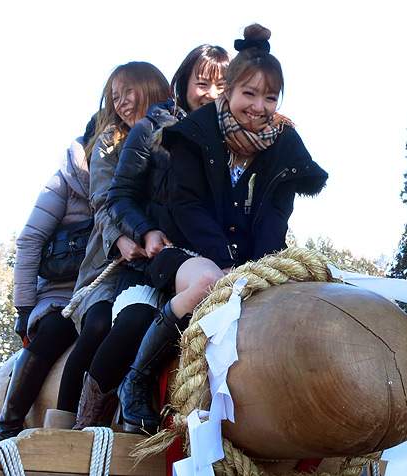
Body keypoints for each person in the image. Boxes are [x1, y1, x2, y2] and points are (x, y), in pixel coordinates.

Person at [116, 24, 328, 435]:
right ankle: (136, 380)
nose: (259, 105)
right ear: (229, 91)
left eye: (270, 96)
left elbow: (275, 215)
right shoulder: (195, 133)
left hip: (253, 255)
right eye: (249, 93)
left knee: (298, 296)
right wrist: (227, 263)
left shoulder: (284, 143)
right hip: (188, 249)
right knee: (208, 284)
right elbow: (186, 204)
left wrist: (261, 268)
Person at [69, 45, 230, 434]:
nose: (211, 92)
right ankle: (89, 421)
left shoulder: (236, 141)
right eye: (202, 82)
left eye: (222, 84)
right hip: (151, 260)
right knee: (131, 322)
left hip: (205, 258)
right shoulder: (151, 131)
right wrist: (142, 231)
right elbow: (117, 196)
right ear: (182, 83)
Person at [44, 62, 172, 430]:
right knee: (100, 323)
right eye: (114, 96)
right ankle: (65, 419)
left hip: (158, 255)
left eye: (128, 92)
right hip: (109, 263)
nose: (121, 102)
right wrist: (121, 239)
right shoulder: (108, 143)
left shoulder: (175, 134)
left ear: (151, 88)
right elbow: (103, 202)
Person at [0, 118, 95, 441]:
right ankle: (8, 423)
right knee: (54, 331)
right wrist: (24, 309)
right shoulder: (65, 181)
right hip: (62, 295)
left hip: (104, 290)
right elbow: (30, 240)